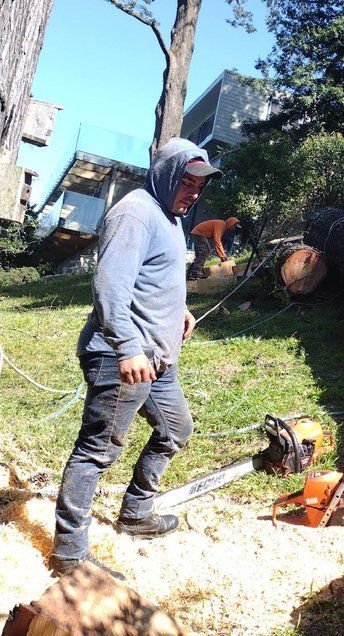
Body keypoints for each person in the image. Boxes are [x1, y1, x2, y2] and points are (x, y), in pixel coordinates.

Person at [50, 139, 222, 577]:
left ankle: (136, 513)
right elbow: (110, 286)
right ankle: (69, 555)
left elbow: (152, 275)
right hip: (122, 357)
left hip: (158, 358)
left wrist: (178, 309)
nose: (192, 192)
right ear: (166, 174)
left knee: (175, 430)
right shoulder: (135, 213)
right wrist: (126, 348)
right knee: (97, 451)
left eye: (199, 186)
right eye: (186, 182)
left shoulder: (170, 217)